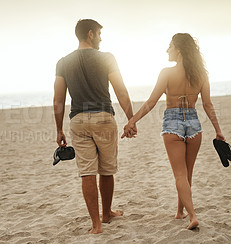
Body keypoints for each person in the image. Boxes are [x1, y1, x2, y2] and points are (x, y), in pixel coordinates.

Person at [122, 33, 226, 230]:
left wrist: (132, 121)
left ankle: (192, 215)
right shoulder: (201, 74)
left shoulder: (167, 73)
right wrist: (218, 131)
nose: (167, 50)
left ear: (178, 49)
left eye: (169, 46)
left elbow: (151, 102)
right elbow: (207, 104)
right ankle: (180, 212)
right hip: (194, 123)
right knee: (187, 175)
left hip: (173, 123)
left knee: (179, 175)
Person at [53, 19, 136, 234]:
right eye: (99, 33)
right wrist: (131, 119)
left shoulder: (63, 62)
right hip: (103, 117)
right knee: (107, 169)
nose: (101, 38)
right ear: (90, 34)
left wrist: (59, 130)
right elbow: (121, 90)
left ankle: (96, 224)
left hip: (78, 120)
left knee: (87, 172)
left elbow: (58, 99)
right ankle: (106, 213)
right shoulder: (107, 58)